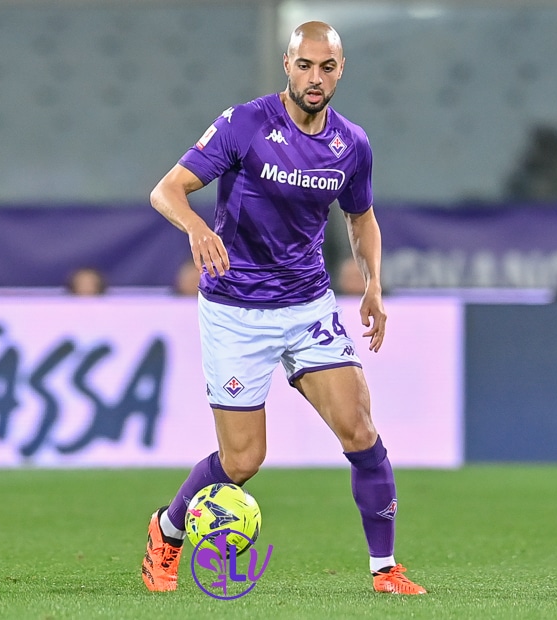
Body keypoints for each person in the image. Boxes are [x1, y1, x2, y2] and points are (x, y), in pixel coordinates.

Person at [140, 21, 426, 595]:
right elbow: (166, 190)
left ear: (340, 71)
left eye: (327, 67)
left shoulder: (352, 144)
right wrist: (197, 228)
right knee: (242, 461)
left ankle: (385, 569)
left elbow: (361, 217)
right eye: (305, 65)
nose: (315, 77)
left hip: (307, 306)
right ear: (288, 66)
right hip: (236, 309)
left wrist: (374, 284)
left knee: (360, 431)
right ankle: (167, 530)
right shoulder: (245, 123)